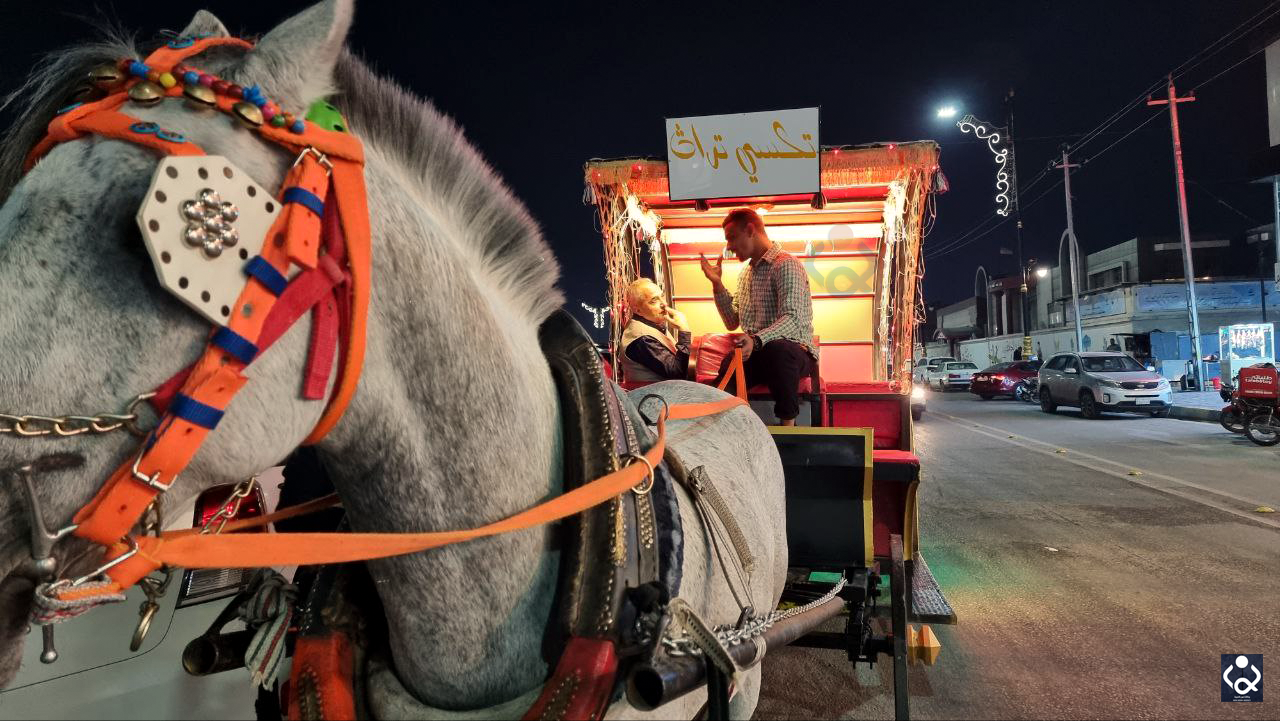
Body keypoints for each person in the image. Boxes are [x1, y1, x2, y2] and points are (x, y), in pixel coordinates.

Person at [700, 208, 817, 426]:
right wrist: (717, 284)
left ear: (751, 230)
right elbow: (732, 321)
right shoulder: (746, 273)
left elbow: (792, 319)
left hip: (793, 352)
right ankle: (724, 429)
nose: (729, 246)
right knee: (729, 363)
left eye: (732, 238)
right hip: (758, 352)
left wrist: (756, 340)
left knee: (778, 350)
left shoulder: (785, 264)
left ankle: (789, 429)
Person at [620, 277, 691, 382]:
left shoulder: (653, 324)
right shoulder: (642, 338)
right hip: (655, 396)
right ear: (638, 310)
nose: (664, 304)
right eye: (654, 301)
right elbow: (678, 373)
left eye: (662, 296)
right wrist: (684, 330)